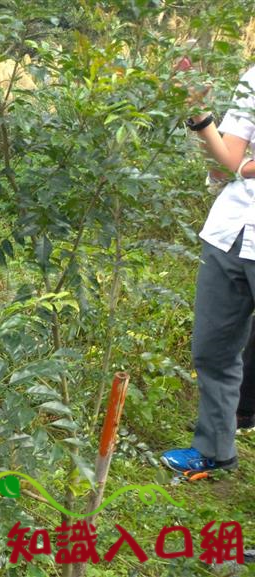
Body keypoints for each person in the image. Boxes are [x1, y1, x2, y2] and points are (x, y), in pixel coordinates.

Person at [161, 60, 255, 473]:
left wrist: (244, 168)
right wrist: (198, 112)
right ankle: (216, 450)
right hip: (229, 233)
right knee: (213, 349)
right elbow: (224, 164)